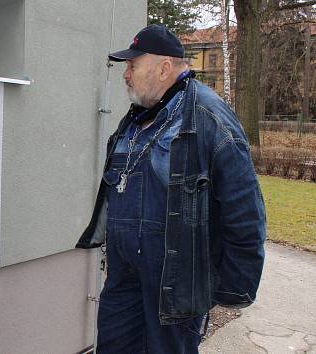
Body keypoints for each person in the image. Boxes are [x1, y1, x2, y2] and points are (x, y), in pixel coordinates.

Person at [76, 24, 266, 353]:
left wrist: (234, 290)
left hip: (176, 287)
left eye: (133, 65)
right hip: (124, 282)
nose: (126, 74)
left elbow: (245, 210)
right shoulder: (138, 118)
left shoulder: (209, 117)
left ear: (164, 68)